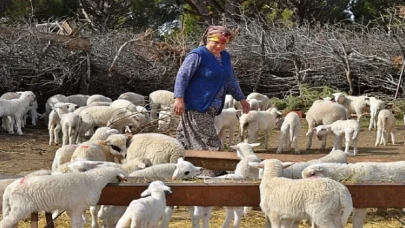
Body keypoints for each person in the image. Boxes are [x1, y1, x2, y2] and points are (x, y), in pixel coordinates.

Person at [173, 25, 250, 151]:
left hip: (213, 107)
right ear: (208, 39)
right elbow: (183, 76)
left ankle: (184, 165)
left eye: (223, 43)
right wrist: (179, 98)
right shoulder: (197, 55)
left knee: (187, 138)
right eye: (216, 42)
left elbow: (231, 79)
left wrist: (241, 99)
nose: (219, 46)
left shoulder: (225, 57)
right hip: (197, 105)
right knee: (210, 141)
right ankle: (213, 169)